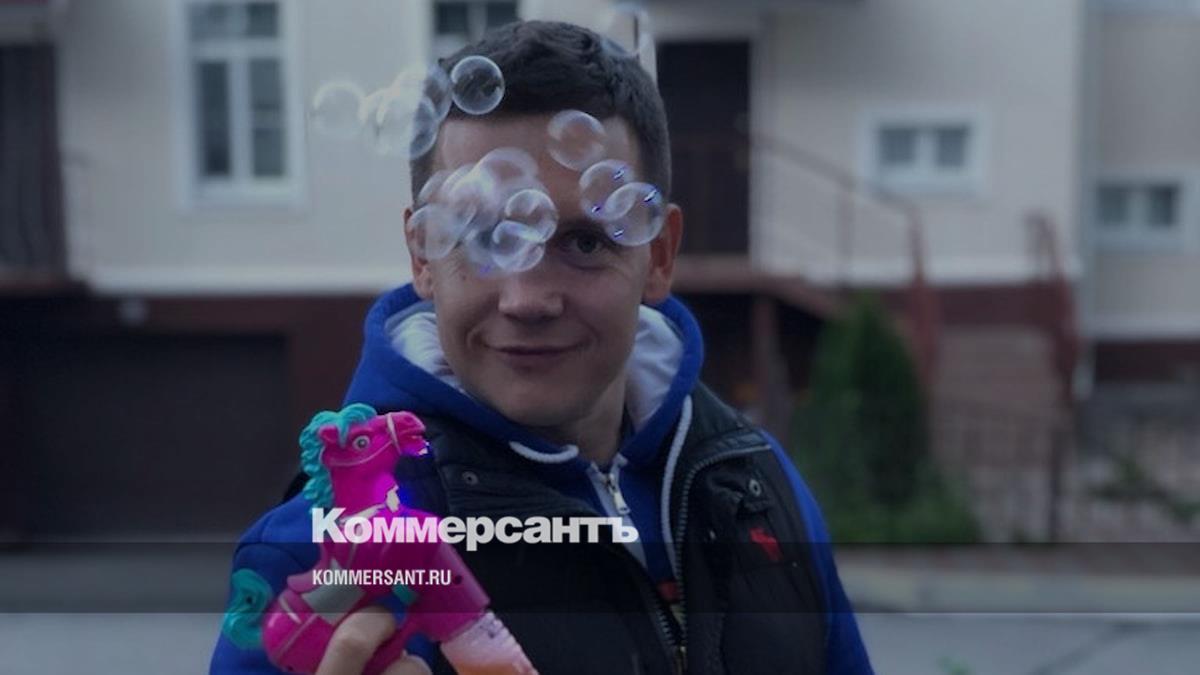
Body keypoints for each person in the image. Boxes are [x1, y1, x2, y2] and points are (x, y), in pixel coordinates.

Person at [210, 20, 873, 675]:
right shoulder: (320, 554)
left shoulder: (757, 487)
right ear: (422, 257)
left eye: (584, 242)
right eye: (480, 237)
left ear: (659, 255)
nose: (527, 299)